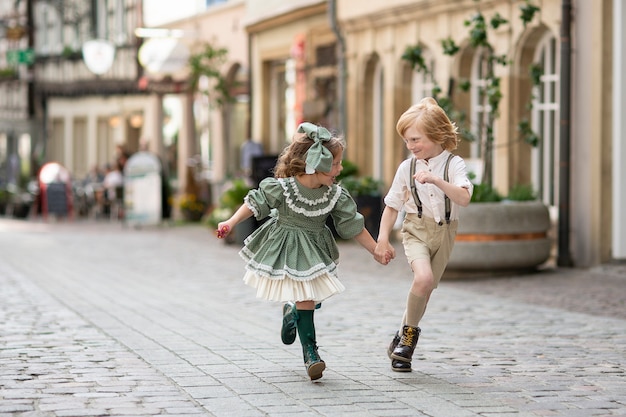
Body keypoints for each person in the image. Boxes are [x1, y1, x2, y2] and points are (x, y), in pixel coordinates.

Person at [216, 122, 392, 381]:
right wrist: (230, 222)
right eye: (334, 164)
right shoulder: (284, 188)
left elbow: (352, 224)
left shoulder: (333, 194)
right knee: (307, 296)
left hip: (315, 247)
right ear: (315, 164)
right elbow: (255, 203)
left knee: (308, 297)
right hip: (286, 244)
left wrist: (376, 249)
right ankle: (311, 353)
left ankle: (292, 313)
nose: (340, 169)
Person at [374, 97, 473, 372]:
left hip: (446, 233)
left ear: (438, 134)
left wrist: (437, 180)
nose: (411, 146)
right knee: (424, 279)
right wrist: (382, 239)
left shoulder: (454, 164)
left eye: (416, 139)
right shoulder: (407, 167)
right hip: (416, 229)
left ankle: (401, 334)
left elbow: (464, 198)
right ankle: (408, 342)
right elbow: (392, 206)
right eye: (407, 141)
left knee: (425, 289)